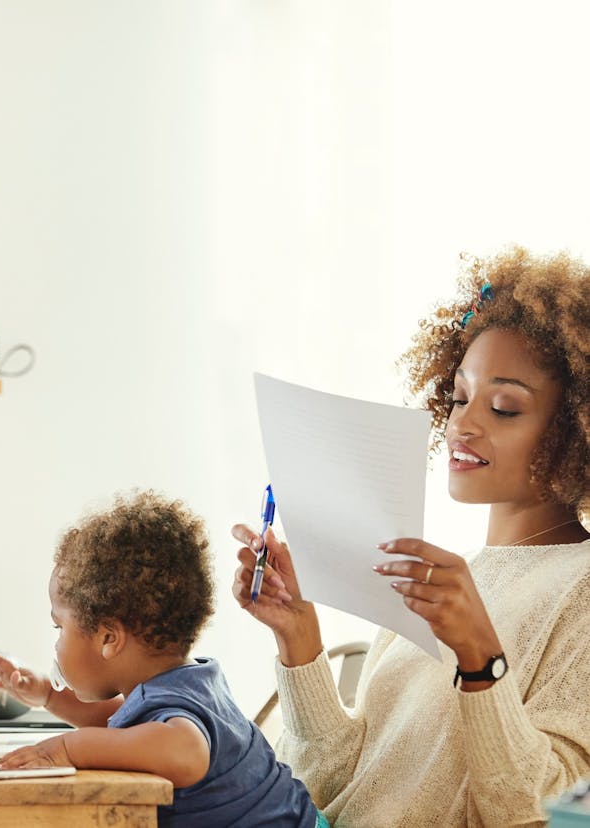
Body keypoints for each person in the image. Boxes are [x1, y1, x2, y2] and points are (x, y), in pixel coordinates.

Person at [231, 246, 590, 827]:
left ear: (575, 428)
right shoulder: (443, 580)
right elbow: (334, 785)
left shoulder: (580, 588)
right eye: (458, 397)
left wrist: (480, 659)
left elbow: (542, 813)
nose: (462, 424)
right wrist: (298, 638)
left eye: (503, 407)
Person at [0, 489, 327, 828]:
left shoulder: (176, 713)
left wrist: (66, 748)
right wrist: (49, 695)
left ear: (109, 638)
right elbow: (123, 727)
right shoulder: (187, 682)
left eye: (58, 627)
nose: (56, 645)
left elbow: (185, 752)